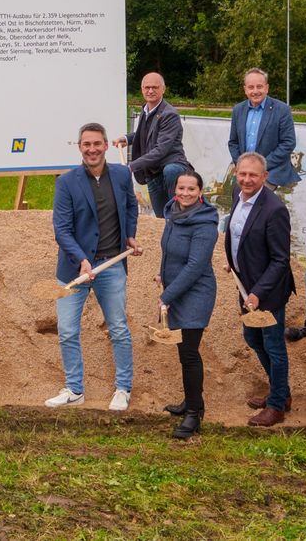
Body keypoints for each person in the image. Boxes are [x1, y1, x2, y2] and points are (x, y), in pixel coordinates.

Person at [47, 122, 140, 412]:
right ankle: (75, 389)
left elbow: (130, 207)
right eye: (86, 145)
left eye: (97, 144)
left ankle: (123, 388)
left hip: (111, 266)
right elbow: (61, 229)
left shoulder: (123, 175)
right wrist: (81, 259)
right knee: (67, 330)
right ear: (80, 148)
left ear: (105, 145)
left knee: (119, 329)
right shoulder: (66, 182)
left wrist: (130, 235)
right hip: (74, 270)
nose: (92, 149)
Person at [225, 151, 296, 427]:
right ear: (236, 173)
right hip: (244, 286)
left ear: (265, 177)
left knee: (274, 346)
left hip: (268, 291)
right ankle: (282, 391)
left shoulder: (274, 209)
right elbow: (237, 235)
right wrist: (234, 262)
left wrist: (259, 293)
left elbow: (281, 260)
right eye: (242, 174)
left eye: (253, 175)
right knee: (253, 338)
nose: (246, 179)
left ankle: (277, 405)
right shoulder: (236, 193)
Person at [156, 170, 218, 439]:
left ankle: (194, 414)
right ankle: (192, 402)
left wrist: (166, 296)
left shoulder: (205, 223)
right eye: (181, 188)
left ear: (200, 192)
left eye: (191, 189)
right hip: (175, 290)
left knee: (190, 353)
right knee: (184, 352)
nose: (185, 193)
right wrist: (162, 276)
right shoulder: (173, 212)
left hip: (195, 293)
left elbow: (195, 266)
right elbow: (168, 250)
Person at [113, 72, 190, 218]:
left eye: (155, 87)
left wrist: (131, 166)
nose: (150, 91)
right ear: (142, 89)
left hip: (170, 168)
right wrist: (127, 139)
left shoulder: (170, 114)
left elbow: (160, 149)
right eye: (147, 87)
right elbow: (146, 134)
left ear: (163, 89)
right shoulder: (146, 110)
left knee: (175, 214)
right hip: (152, 172)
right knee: (160, 218)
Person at [227, 68, 300, 189]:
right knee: (236, 198)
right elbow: (233, 143)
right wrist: (242, 166)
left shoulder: (282, 110)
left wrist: (261, 166)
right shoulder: (238, 110)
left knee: (257, 199)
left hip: (272, 171)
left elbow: (288, 143)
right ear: (245, 90)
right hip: (245, 172)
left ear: (267, 88)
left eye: (259, 86)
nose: (255, 91)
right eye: (251, 87)